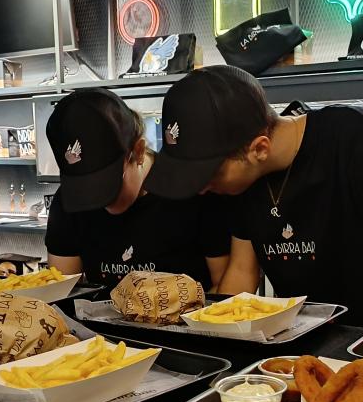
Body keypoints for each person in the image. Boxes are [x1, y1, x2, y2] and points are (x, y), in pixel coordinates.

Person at [143, 65, 363, 326]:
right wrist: (212, 333)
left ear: (259, 149)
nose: (201, 187)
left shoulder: (352, 138)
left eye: (209, 174)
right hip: (301, 349)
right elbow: (242, 271)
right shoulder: (238, 186)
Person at [44, 88, 230, 290]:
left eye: (107, 186)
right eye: (83, 188)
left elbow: (223, 286)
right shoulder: (67, 201)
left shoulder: (192, 192)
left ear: (138, 152)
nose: (97, 200)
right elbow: (63, 290)